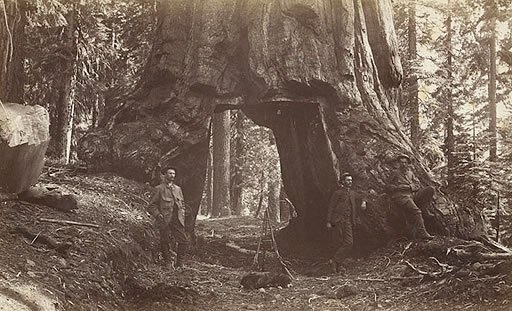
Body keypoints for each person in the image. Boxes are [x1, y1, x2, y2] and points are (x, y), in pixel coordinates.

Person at [148, 167, 189, 268]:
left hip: (177, 219)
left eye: (174, 174)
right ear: (165, 175)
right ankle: (167, 262)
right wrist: (158, 215)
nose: (172, 175)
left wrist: (182, 213)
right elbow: (151, 206)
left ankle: (180, 263)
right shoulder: (159, 189)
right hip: (164, 219)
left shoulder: (178, 189)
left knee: (183, 240)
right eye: (170, 173)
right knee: (164, 241)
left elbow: (182, 203)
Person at [326, 173, 367, 273]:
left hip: (348, 221)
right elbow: (330, 207)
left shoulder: (353, 193)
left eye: (351, 180)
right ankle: (338, 266)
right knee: (338, 242)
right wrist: (328, 221)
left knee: (349, 243)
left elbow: (364, 195)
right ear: (343, 182)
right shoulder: (337, 193)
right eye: (348, 180)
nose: (350, 182)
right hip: (337, 221)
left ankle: (334, 261)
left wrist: (364, 202)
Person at [387, 154, 434, 240]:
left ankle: (424, 208)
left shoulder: (410, 173)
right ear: (398, 163)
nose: (403, 164)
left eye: (405, 163)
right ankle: (422, 233)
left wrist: (410, 187)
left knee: (430, 189)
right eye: (401, 162)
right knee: (417, 212)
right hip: (401, 196)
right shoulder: (395, 173)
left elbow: (417, 184)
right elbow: (388, 186)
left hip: (411, 194)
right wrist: (398, 187)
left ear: (408, 164)